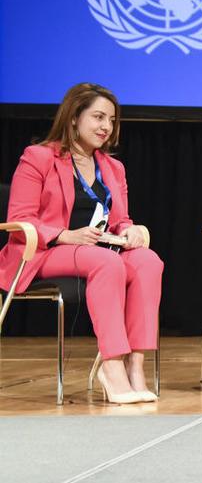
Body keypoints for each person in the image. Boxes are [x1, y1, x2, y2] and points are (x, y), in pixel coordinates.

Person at [0, 83, 163, 404]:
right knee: (107, 261)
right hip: (43, 252)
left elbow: (120, 219)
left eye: (112, 120)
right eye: (98, 117)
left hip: (98, 251)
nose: (106, 127)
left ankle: (135, 366)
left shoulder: (113, 167)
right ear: (74, 117)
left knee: (148, 261)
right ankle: (111, 365)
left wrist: (130, 230)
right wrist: (65, 235)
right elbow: (20, 219)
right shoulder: (38, 157)